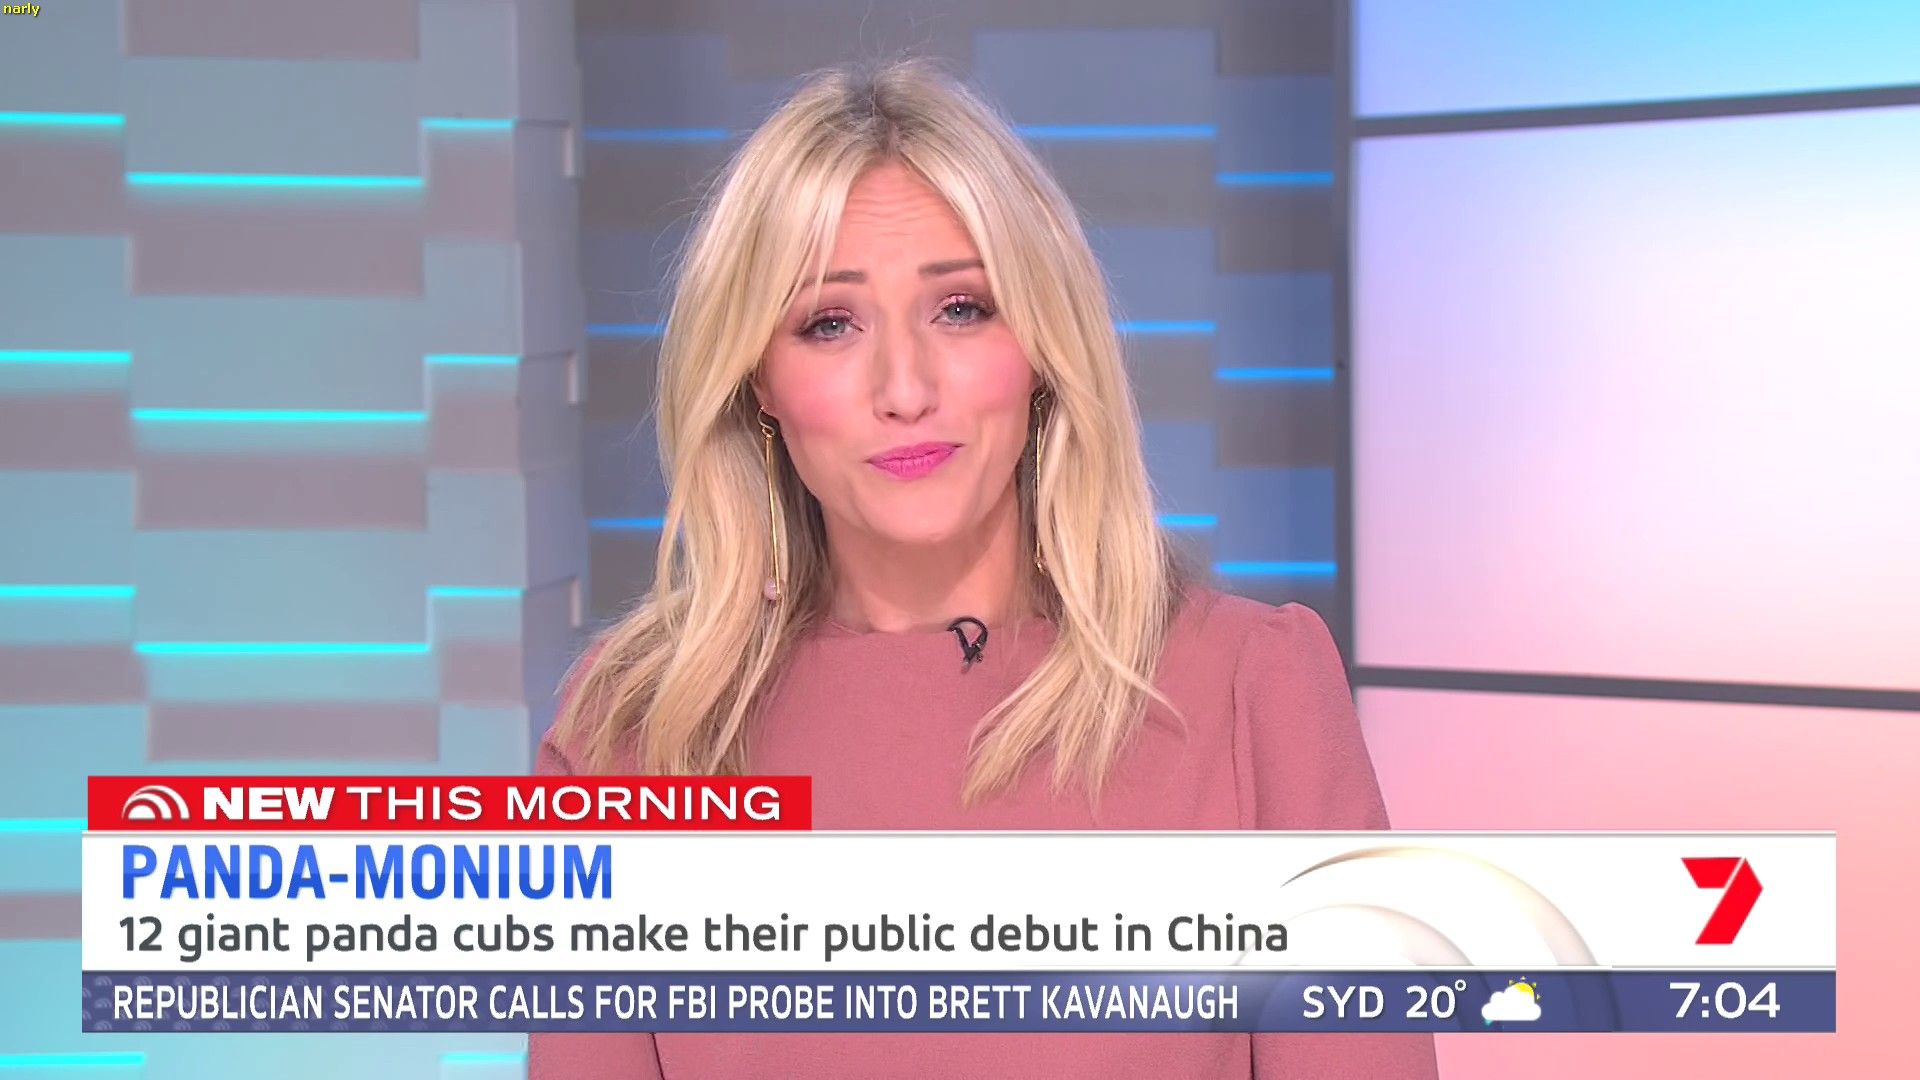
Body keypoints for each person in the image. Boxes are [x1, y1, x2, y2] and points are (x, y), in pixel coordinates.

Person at [532, 57, 1437, 1080]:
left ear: (1042, 348)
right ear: (758, 385)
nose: (905, 387)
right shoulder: (631, 733)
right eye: (830, 323)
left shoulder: (1252, 694)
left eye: (960, 308)